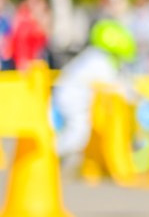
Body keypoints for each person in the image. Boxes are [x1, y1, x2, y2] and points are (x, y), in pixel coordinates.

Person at [52, 19, 138, 160]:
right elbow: (113, 86)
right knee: (78, 133)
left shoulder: (93, 55)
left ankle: (58, 155)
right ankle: (52, 154)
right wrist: (131, 94)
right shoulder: (101, 62)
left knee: (75, 132)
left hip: (65, 95)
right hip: (72, 99)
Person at [6, 0, 50, 69]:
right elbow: (16, 37)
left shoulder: (41, 18)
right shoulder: (23, 17)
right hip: (22, 62)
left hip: (36, 62)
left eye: (37, 2)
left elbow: (45, 37)